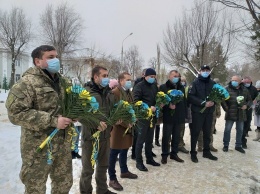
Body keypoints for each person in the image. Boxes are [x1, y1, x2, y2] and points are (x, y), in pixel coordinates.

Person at [5, 45, 73, 193]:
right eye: (50, 57)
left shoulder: (63, 83)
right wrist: (52, 120)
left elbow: (69, 106)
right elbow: (15, 113)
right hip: (38, 147)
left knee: (64, 184)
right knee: (35, 188)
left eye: (56, 56)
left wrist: (76, 113)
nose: (56, 60)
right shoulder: (27, 83)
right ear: (37, 61)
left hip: (62, 145)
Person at [80, 65, 116, 194]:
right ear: (96, 77)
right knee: (88, 169)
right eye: (104, 76)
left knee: (103, 166)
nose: (107, 78)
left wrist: (117, 118)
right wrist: (95, 123)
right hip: (90, 137)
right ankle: (85, 191)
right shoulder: (86, 92)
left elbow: (112, 111)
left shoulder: (109, 93)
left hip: (105, 136)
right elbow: (79, 114)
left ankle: (102, 190)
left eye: (107, 76)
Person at [108, 72, 138, 191]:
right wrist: (126, 123)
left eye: (131, 79)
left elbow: (131, 107)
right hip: (118, 128)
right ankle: (112, 178)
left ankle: (124, 171)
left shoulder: (129, 92)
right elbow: (113, 112)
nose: (130, 81)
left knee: (125, 149)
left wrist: (134, 118)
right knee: (114, 152)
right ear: (120, 81)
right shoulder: (115, 92)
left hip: (128, 127)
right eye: (127, 79)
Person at [188, 65, 218, 163]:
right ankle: (193, 153)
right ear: (200, 71)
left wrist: (214, 101)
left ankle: (206, 151)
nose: (205, 72)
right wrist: (203, 103)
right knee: (195, 132)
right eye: (203, 70)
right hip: (198, 112)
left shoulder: (213, 83)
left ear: (210, 72)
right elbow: (191, 97)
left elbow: (218, 96)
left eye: (207, 70)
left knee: (207, 133)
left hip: (209, 112)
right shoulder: (195, 83)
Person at [133, 68, 160, 171]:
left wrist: (159, 103)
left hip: (152, 117)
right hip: (142, 117)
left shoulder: (154, 86)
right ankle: (139, 162)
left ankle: (149, 158)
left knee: (149, 139)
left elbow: (156, 98)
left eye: (154, 77)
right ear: (145, 76)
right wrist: (148, 108)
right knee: (140, 141)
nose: (153, 78)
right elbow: (136, 102)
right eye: (151, 77)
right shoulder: (139, 86)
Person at [159, 70, 186, 164]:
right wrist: (168, 105)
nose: (176, 78)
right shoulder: (163, 87)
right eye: (174, 76)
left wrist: (183, 114)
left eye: (178, 76)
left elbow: (183, 101)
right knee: (166, 137)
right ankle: (164, 154)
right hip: (168, 116)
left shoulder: (181, 87)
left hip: (178, 115)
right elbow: (160, 101)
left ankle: (174, 153)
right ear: (169, 76)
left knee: (176, 136)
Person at [221, 75, 251, 154]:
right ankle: (226, 145)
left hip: (241, 113)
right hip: (230, 113)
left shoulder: (245, 90)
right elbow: (222, 100)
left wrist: (246, 106)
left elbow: (249, 100)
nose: (233, 82)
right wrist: (227, 109)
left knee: (240, 130)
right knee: (227, 130)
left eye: (236, 80)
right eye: (232, 80)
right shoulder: (226, 89)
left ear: (240, 81)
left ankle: (238, 145)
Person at [241, 76, 258, 148]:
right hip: (240, 109)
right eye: (245, 82)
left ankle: (243, 139)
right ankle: (240, 140)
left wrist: (255, 101)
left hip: (248, 109)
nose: (247, 83)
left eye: (248, 82)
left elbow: (256, 98)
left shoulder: (253, 89)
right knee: (240, 125)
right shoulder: (240, 87)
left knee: (247, 124)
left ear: (250, 82)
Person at [178, 76, 190, 154]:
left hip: (183, 111)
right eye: (181, 81)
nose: (183, 82)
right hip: (174, 112)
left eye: (184, 81)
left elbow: (186, 100)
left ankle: (180, 144)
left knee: (182, 129)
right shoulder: (176, 87)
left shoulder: (186, 88)